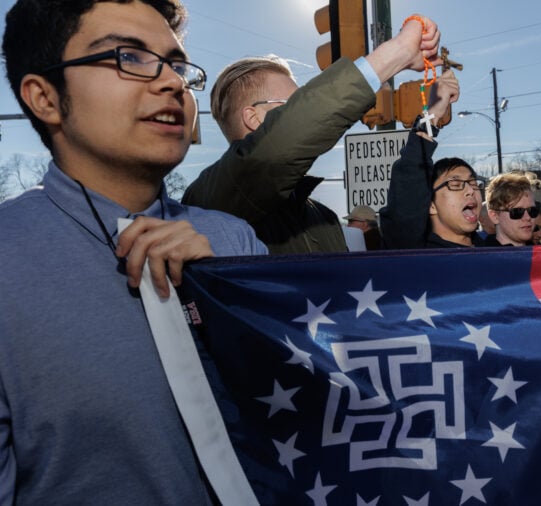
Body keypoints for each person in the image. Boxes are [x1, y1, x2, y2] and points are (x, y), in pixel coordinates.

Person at [0, 0, 268, 503]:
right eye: (129, 56)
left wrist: (228, 297)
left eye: (176, 64)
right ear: (44, 98)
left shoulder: (236, 244)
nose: (171, 83)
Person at [182, 17, 442, 254]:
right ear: (254, 118)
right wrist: (397, 53)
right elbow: (275, 148)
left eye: (302, 103)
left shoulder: (324, 218)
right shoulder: (210, 206)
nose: (305, 109)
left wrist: (432, 117)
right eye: (293, 105)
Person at [380, 70, 486, 248]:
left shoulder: (498, 254)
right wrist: (433, 114)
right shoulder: (415, 256)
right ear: (431, 206)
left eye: (473, 183)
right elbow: (410, 178)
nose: (470, 190)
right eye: (455, 183)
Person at [483, 172, 540, 247]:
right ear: (494, 216)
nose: (528, 217)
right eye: (517, 212)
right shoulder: (478, 257)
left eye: (532, 210)